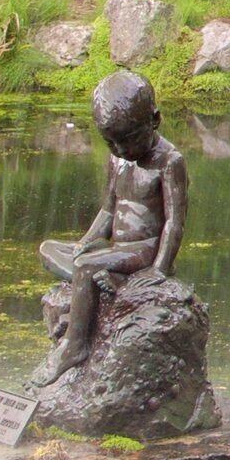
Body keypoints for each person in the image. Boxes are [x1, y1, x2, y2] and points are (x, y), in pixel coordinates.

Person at [32, 70, 189, 386]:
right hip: (116, 250)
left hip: (143, 248)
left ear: (154, 120)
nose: (120, 150)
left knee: (87, 266)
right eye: (110, 142)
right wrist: (85, 241)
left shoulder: (169, 162)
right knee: (49, 250)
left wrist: (160, 269)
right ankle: (103, 281)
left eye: (128, 140)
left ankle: (75, 345)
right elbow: (108, 209)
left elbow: (174, 221)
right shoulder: (117, 160)